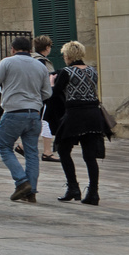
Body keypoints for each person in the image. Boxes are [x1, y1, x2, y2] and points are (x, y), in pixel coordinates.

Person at [0, 36, 51, 202]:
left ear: (13, 49)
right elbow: (47, 93)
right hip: (34, 113)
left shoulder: (7, 62)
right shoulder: (40, 65)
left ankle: (22, 181)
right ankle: (32, 191)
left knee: (4, 146)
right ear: (30, 50)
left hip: (14, 112)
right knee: (31, 153)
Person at [50, 41, 112, 205]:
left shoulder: (66, 72)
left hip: (75, 115)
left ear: (68, 56)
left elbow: (55, 93)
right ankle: (93, 192)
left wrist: (51, 84)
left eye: (64, 55)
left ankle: (73, 187)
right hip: (93, 115)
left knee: (63, 149)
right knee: (90, 156)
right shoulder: (93, 71)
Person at [33, 35, 57, 161]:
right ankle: (47, 152)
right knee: (44, 122)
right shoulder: (42, 62)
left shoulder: (31, 60)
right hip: (42, 98)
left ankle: (23, 146)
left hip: (33, 97)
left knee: (38, 123)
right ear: (47, 47)